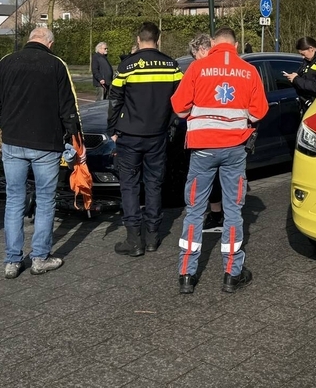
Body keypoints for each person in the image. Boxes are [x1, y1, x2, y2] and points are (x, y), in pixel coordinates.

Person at [171, 26, 269, 294]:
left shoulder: (197, 68)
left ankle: (187, 276)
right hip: (235, 149)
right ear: (235, 45)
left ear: (213, 43)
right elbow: (259, 112)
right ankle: (231, 274)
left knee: (194, 210)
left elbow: (179, 108)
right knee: (234, 211)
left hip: (202, 150)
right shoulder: (248, 71)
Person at [0, 26, 82, 279]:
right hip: (46, 145)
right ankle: (40, 258)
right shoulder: (56, 65)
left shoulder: (6, 62)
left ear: (29, 40)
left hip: (13, 142)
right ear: (49, 44)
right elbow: (68, 107)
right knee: (46, 201)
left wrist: (6, 126)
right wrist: (74, 140)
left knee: (14, 201)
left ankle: (12, 261)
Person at [108, 22, 182, 256]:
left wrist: (112, 128)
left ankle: (134, 239)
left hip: (130, 135)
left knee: (129, 186)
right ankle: (152, 237)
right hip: (157, 135)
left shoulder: (127, 66)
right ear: (157, 40)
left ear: (139, 40)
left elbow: (115, 100)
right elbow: (179, 101)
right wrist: (168, 123)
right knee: (153, 184)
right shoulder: (171, 65)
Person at [186, 34, 224, 233]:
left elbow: (182, 104)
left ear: (202, 50)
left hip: (207, 135)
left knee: (205, 177)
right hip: (231, 135)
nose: (195, 60)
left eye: (195, 55)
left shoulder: (201, 70)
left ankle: (214, 215)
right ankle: (222, 215)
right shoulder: (230, 67)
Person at [285, 36, 316, 110]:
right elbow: (301, 78)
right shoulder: (307, 61)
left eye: (303, 54)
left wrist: (296, 79)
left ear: (311, 49)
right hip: (305, 103)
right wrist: (293, 77)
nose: (302, 57)